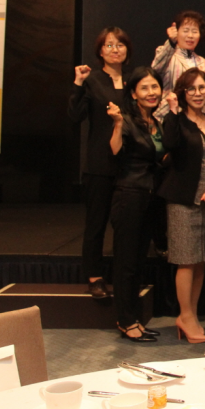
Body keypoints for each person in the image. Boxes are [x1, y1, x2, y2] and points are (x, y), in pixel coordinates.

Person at [158, 68, 205, 344]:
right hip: (183, 200)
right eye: (191, 89)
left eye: (202, 88)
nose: (197, 93)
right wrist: (174, 112)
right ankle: (185, 316)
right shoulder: (176, 120)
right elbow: (170, 144)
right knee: (186, 260)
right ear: (182, 93)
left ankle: (192, 313)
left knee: (200, 260)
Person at [69, 26, 130, 300]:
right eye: (109, 45)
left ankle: (124, 275)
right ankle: (95, 277)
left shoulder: (134, 79)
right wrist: (77, 83)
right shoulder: (92, 80)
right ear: (100, 51)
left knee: (126, 226)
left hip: (129, 164)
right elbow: (75, 115)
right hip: (100, 164)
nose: (115, 49)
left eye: (120, 45)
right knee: (96, 224)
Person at [107, 67, 167, 342]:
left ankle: (134, 319)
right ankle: (126, 320)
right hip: (129, 196)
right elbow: (115, 151)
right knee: (126, 263)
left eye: (155, 87)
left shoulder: (156, 122)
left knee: (139, 261)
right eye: (144, 88)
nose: (151, 92)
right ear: (133, 93)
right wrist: (118, 124)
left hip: (150, 198)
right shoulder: (127, 121)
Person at [152, 10, 205, 120]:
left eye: (194, 31)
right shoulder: (166, 53)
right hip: (169, 117)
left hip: (196, 119)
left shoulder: (203, 62)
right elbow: (155, 71)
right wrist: (171, 42)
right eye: (185, 31)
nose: (190, 36)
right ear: (176, 32)